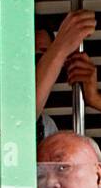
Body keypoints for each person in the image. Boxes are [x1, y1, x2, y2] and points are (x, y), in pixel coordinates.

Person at [35, 10, 97, 141]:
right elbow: (18, 119)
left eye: (44, 59)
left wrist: (94, 98)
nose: (40, 68)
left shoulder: (46, 126)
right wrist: (60, 48)